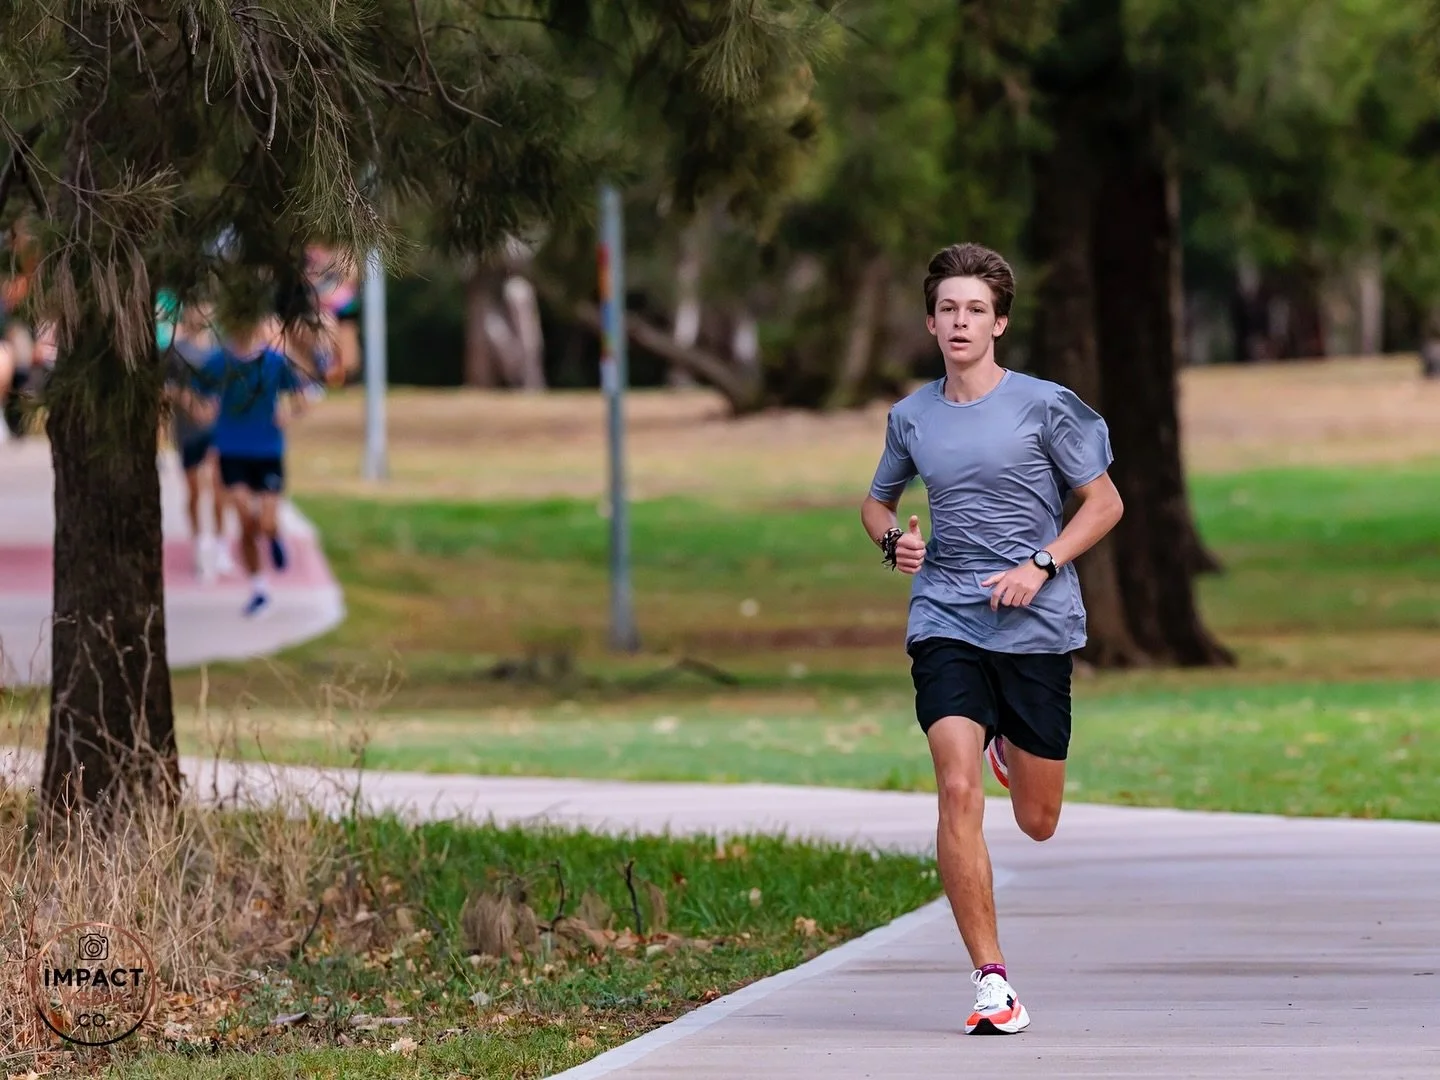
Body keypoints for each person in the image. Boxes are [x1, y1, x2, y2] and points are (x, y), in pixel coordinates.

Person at [860, 242, 1124, 1036]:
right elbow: (877, 504)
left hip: (1035, 621)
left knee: (1038, 821)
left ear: (999, 321)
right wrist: (893, 545)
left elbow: (1104, 504)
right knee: (955, 786)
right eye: (947, 309)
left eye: (976, 308)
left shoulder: (1045, 406)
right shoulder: (912, 416)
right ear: (931, 322)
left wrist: (1041, 563)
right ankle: (992, 981)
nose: (960, 321)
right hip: (946, 615)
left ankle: (1011, 742)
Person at [194, 312, 310, 618]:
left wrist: (289, 415)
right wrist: (204, 414)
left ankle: (273, 536)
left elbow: (303, 398)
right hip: (232, 450)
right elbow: (196, 395)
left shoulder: (274, 362)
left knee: (266, 522)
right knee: (245, 520)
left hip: (268, 450)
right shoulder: (218, 362)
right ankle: (259, 589)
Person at [161, 294, 234, 579]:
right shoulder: (174, 352)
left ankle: (220, 542)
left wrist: (214, 408)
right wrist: (190, 401)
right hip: (187, 430)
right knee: (194, 489)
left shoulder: (221, 352)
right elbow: (165, 388)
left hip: (216, 430)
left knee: (218, 486)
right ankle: (198, 541)